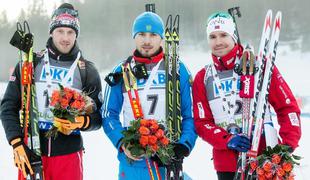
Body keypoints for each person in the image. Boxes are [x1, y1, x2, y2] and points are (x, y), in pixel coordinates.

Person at [192, 12, 301, 180]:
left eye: (223, 35)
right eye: (212, 36)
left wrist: (287, 145)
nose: (218, 42)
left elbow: (287, 108)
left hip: (265, 158)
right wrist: (226, 139)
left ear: (234, 36)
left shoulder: (259, 66)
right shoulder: (203, 77)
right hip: (227, 163)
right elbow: (202, 123)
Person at [0, 3, 102, 180]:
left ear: (76, 34)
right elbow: (8, 106)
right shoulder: (31, 64)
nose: (65, 38)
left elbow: (99, 116)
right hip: (30, 152)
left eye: (70, 32)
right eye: (60, 31)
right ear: (51, 32)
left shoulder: (86, 70)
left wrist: (81, 121)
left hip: (68, 156)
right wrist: (16, 142)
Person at [101, 12, 197, 179]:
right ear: (134, 37)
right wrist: (123, 143)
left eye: (153, 35)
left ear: (161, 38)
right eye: (141, 35)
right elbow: (108, 115)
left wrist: (184, 145)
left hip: (167, 158)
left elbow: (191, 115)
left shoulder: (177, 69)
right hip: (134, 161)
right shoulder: (121, 71)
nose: (146, 41)